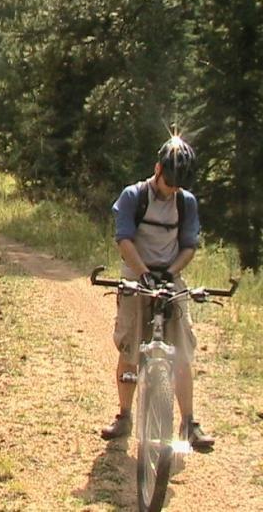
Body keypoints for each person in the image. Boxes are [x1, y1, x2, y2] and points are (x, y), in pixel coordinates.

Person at [101, 136, 214, 450]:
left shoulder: (185, 202)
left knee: (180, 350)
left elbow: (189, 245)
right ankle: (124, 416)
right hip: (137, 274)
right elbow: (124, 239)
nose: (172, 189)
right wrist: (144, 274)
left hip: (169, 276)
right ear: (157, 169)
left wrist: (170, 273)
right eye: (169, 181)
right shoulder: (133, 196)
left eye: (178, 184)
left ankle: (188, 421)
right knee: (129, 347)